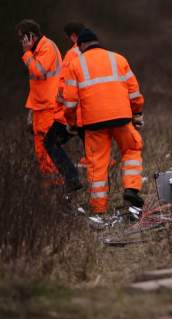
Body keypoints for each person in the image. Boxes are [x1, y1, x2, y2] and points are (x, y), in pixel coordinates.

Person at [63, 28, 145, 214]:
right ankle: (131, 189)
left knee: (97, 164)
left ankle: (98, 209)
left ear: (81, 45)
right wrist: (137, 112)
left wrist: (72, 123)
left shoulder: (75, 65)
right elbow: (134, 92)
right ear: (96, 42)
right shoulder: (118, 58)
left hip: (94, 123)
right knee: (132, 148)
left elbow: (69, 103)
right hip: (122, 118)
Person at [16, 19, 63, 184]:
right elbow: (37, 83)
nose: (21, 42)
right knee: (41, 150)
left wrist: (27, 53)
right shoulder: (39, 49)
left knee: (48, 148)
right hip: (40, 106)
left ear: (32, 37)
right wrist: (31, 108)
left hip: (48, 106)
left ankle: (56, 187)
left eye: (23, 37)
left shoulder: (46, 47)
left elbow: (39, 72)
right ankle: (49, 188)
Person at [43, 21, 86, 192]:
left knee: (50, 142)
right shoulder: (95, 52)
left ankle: (72, 177)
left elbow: (65, 85)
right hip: (92, 110)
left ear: (73, 36)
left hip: (72, 112)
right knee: (94, 151)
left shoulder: (72, 54)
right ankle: (102, 188)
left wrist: (61, 107)